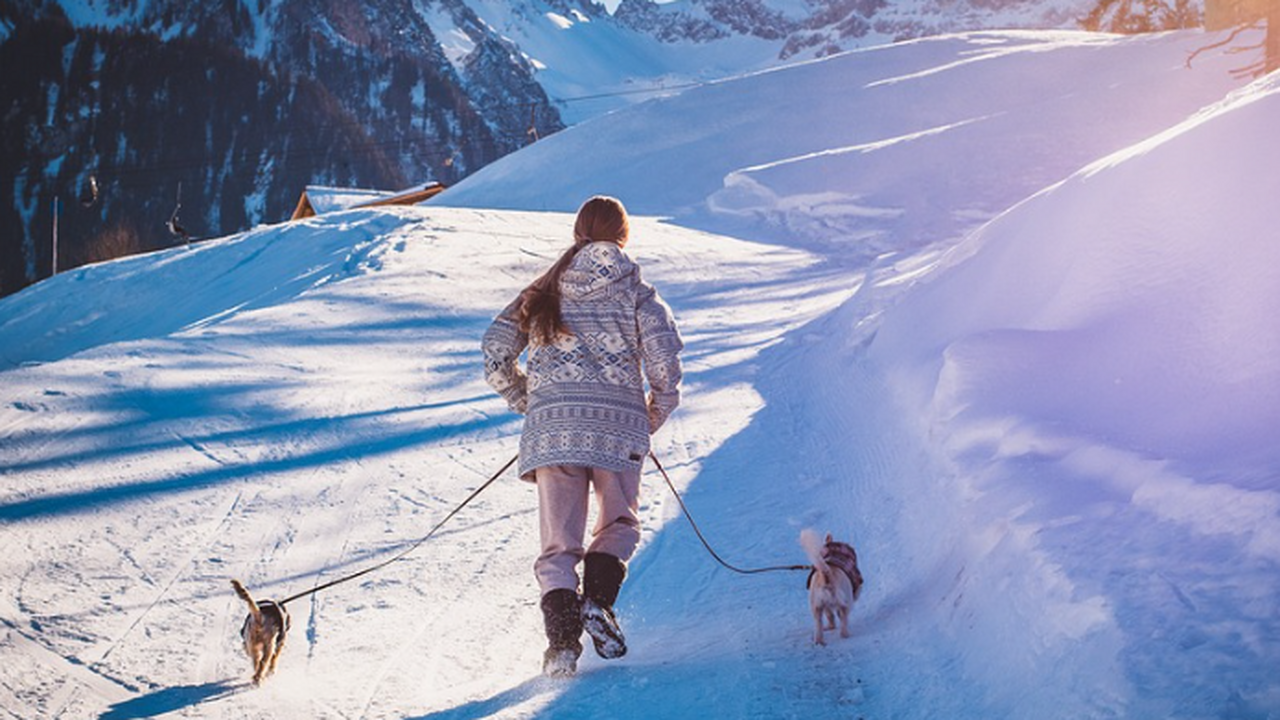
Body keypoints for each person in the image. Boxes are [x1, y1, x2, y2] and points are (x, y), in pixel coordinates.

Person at [482, 196, 684, 677]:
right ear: (623, 235)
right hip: (619, 430)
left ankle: (562, 647)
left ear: (578, 233)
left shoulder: (544, 288)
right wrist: (650, 415)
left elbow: (494, 350)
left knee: (558, 545)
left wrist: (530, 401)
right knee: (618, 524)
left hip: (553, 433)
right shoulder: (637, 290)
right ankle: (597, 602)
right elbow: (664, 363)